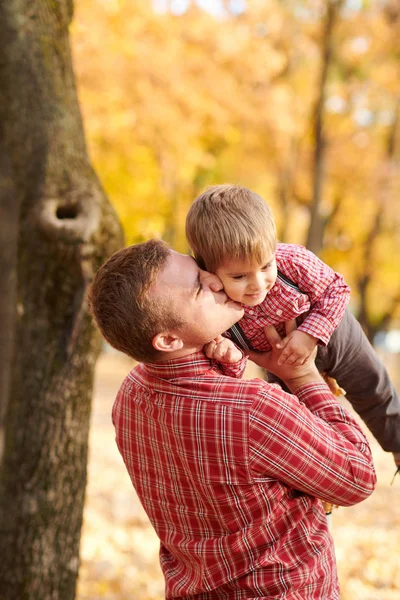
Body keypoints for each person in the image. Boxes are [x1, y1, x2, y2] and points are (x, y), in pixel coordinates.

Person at [88, 239, 376, 599]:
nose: (215, 281)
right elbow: (357, 477)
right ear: (167, 339)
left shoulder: (129, 398)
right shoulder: (254, 410)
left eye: (200, 270)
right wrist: (302, 376)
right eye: (198, 287)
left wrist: (227, 359)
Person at [186, 184, 400, 469]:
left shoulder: (292, 262)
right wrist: (230, 357)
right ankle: (323, 484)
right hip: (281, 363)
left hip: (335, 336)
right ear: (209, 271)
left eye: (265, 267)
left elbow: (336, 289)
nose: (258, 284)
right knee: (303, 427)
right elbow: (233, 369)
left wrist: (309, 334)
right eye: (239, 276)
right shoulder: (217, 307)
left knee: (373, 389)